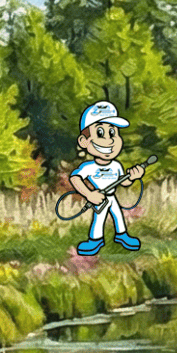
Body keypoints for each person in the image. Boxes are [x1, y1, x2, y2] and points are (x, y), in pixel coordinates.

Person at [68, 99, 146, 255]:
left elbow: (123, 182)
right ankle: (95, 240)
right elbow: (75, 178)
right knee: (99, 218)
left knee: (118, 215)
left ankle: (122, 235)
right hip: (99, 197)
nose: (109, 139)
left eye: (112, 133)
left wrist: (133, 177)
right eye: (100, 133)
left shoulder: (116, 166)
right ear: (84, 141)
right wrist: (89, 194)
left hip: (111, 196)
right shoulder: (89, 167)